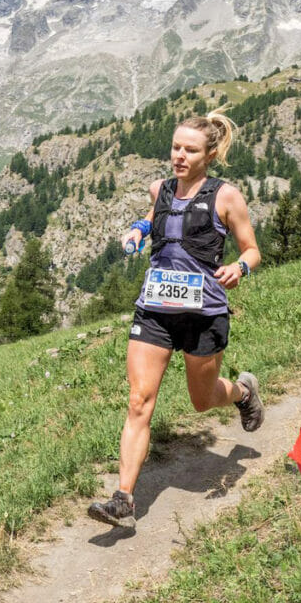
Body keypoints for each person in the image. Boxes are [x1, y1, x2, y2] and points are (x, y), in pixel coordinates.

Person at [88, 111, 263, 529]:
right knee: (138, 401)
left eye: (190, 150)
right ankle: (123, 498)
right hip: (154, 310)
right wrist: (137, 230)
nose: (179, 157)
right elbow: (155, 218)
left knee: (202, 401)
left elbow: (251, 249)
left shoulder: (226, 197)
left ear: (211, 154)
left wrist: (240, 268)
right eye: (175, 148)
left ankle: (242, 392)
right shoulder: (160, 188)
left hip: (204, 314)